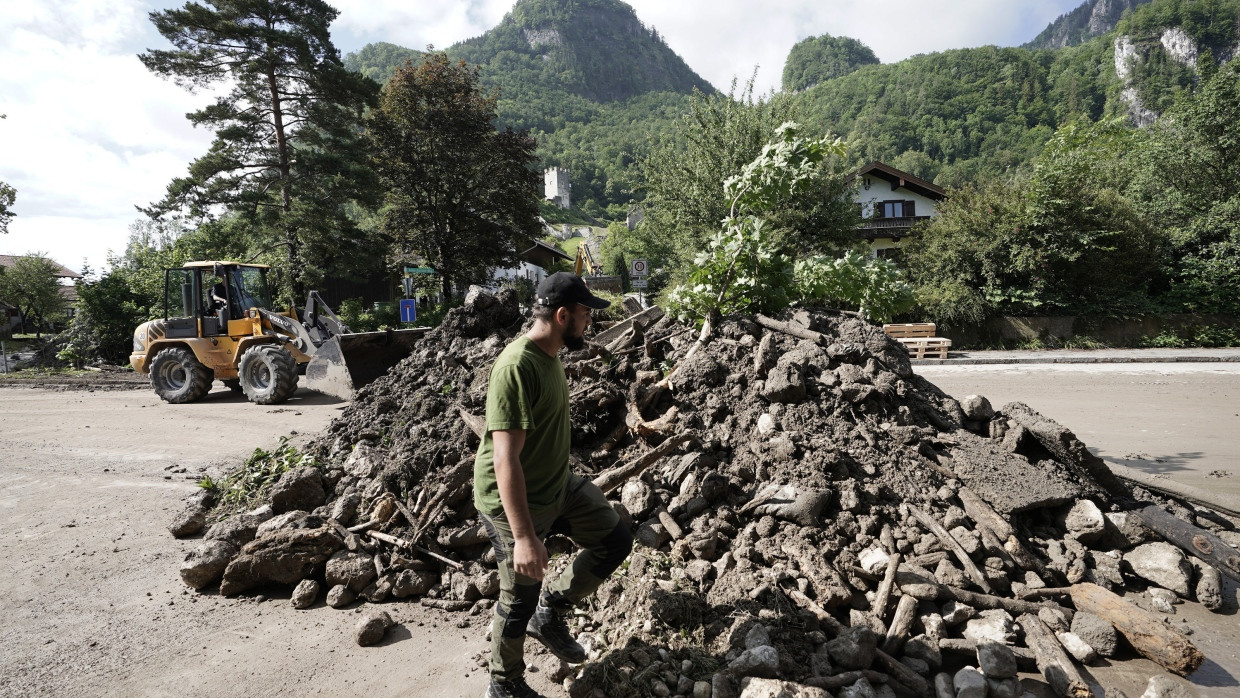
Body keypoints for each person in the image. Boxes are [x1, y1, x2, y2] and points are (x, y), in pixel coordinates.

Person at [474, 272, 633, 698]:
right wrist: (525, 538)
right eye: (584, 315)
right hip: (513, 500)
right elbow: (506, 458)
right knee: (517, 597)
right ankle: (503, 684)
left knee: (615, 539)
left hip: (556, 485)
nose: (589, 323)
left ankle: (552, 610)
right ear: (562, 315)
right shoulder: (516, 367)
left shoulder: (550, 354)